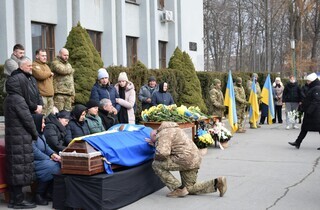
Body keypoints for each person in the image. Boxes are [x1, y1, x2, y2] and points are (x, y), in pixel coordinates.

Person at [147, 121, 227, 197]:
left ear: (155, 135)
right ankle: (217, 182)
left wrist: (155, 155)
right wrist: (156, 144)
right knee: (189, 189)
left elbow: (163, 153)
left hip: (184, 160)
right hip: (194, 159)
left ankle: (178, 189)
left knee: (156, 164)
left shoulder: (163, 134)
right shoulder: (175, 129)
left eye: (155, 140)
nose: (156, 142)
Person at [4, 66, 38, 209]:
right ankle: (18, 201)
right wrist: (35, 133)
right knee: (19, 168)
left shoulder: (8, 99)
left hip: (13, 138)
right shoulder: (19, 100)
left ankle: (14, 199)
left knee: (14, 168)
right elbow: (27, 119)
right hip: (21, 138)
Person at [32, 114, 61, 206]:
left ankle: (49, 192)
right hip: (34, 161)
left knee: (58, 163)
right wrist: (48, 158)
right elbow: (34, 151)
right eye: (43, 123)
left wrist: (53, 154)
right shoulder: (30, 135)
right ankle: (39, 194)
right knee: (52, 166)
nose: (44, 125)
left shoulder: (40, 133)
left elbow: (46, 147)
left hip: (42, 159)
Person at [288, 73, 320, 150]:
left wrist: (309, 110)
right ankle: (297, 142)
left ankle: (298, 142)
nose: (307, 82)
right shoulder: (314, 87)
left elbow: (316, 101)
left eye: (308, 81)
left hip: (315, 113)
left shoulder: (317, 88)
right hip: (311, 112)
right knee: (304, 128)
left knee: (318, 128)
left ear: (313, 81)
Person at [32, 49, 54, 116]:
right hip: (42, 96)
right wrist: (49, 73)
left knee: (50, 115)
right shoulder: (34, 65)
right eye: (43, 56)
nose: (45, 57)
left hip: (50, 95)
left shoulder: (46, 66)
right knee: (42, 115)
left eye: (46, 56)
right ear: (37, 56)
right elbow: (40, 75)